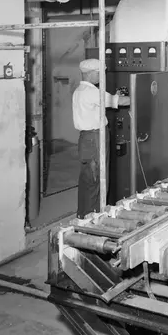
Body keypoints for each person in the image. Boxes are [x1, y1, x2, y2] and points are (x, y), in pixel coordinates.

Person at [73, 59, 130, 218]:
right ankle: (94, 218)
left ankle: (83, 215)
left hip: (86, 139)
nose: (101, 77)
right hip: (95, 139)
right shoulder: (92, 92)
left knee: (87, 180)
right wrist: (140, 94)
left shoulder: (79, 90)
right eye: (99, 74)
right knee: (97, 180)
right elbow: (119, 101)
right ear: (91, 73)